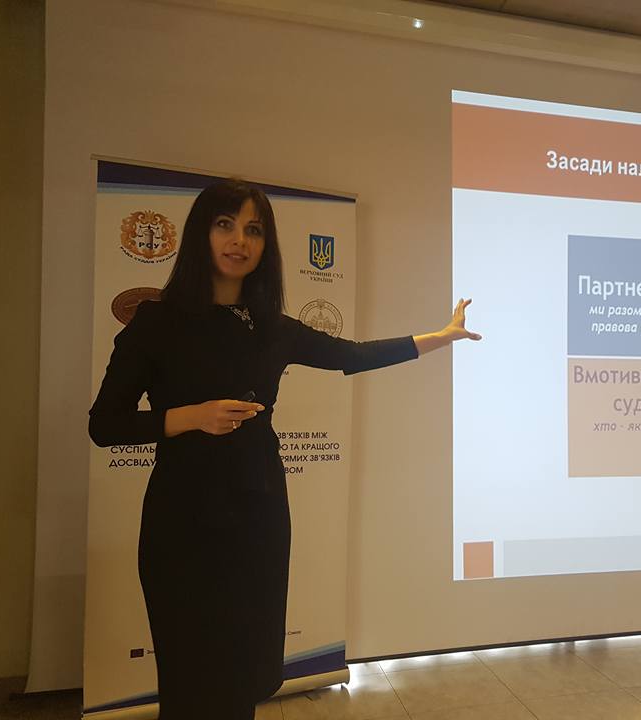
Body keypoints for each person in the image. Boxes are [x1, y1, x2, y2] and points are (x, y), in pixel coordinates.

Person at [88, 179, 480, 720]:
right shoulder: (157, 322)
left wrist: (440, 336)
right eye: (225, 225)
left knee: (244, 671)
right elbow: (105, 425)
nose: (239, 240)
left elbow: (351, 355)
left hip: (259, 511)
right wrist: (191, 417)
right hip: (183, 518)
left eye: (253, 230)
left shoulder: (271, 328)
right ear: (201, 233)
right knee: (189, 673)